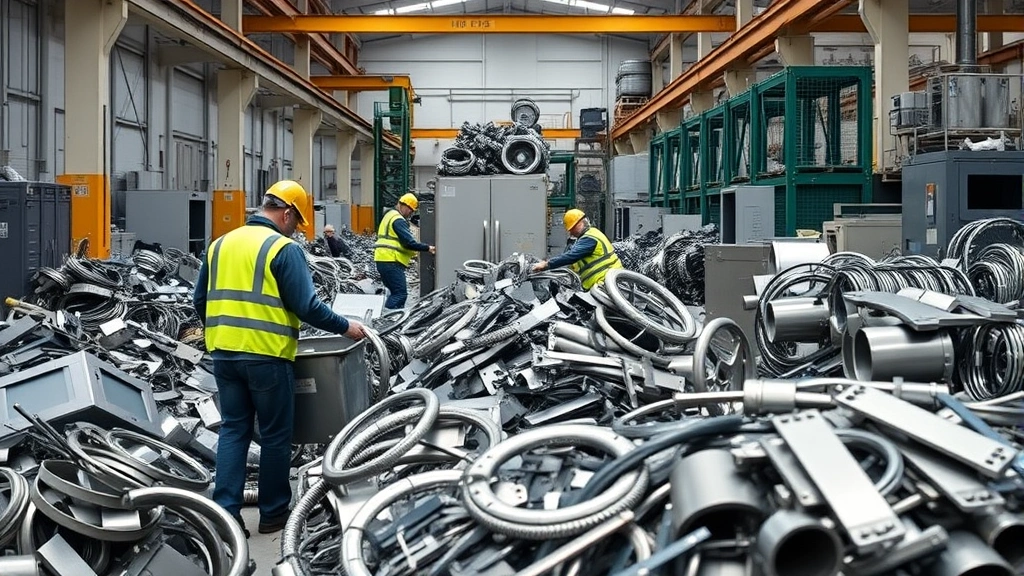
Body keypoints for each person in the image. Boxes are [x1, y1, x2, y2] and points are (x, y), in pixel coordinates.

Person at [192, 180, 367, 536]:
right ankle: (272, 514)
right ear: (286, 213)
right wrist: (344, 326)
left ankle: (227, 515)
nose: (296, 231)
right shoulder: (282, 249)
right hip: (267, 356)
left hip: (223, 353)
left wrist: (222, 331)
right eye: (296, 222)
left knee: (234, 430)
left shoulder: (220, 244)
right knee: (274, 436)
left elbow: (200, 300)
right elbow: (306, 306)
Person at [531, 208, 622, 289]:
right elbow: (571, 261)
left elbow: (571, 256)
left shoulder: (589, 238)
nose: (571, 233)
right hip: (601, 283)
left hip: (606, 282)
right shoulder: (588, 236)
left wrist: (546, 264)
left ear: (580, 223)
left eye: (572, 229)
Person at [374, 193, 435, 310]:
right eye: (410, 210)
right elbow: (409, 242)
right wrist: (428, 248)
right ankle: (389, 321)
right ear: (404, 206)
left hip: (383, 259)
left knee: (393, 292)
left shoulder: (389, 216)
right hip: (392, 260)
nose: (410, 214)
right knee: (400, 294)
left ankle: (387, 319)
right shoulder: (398, 220)